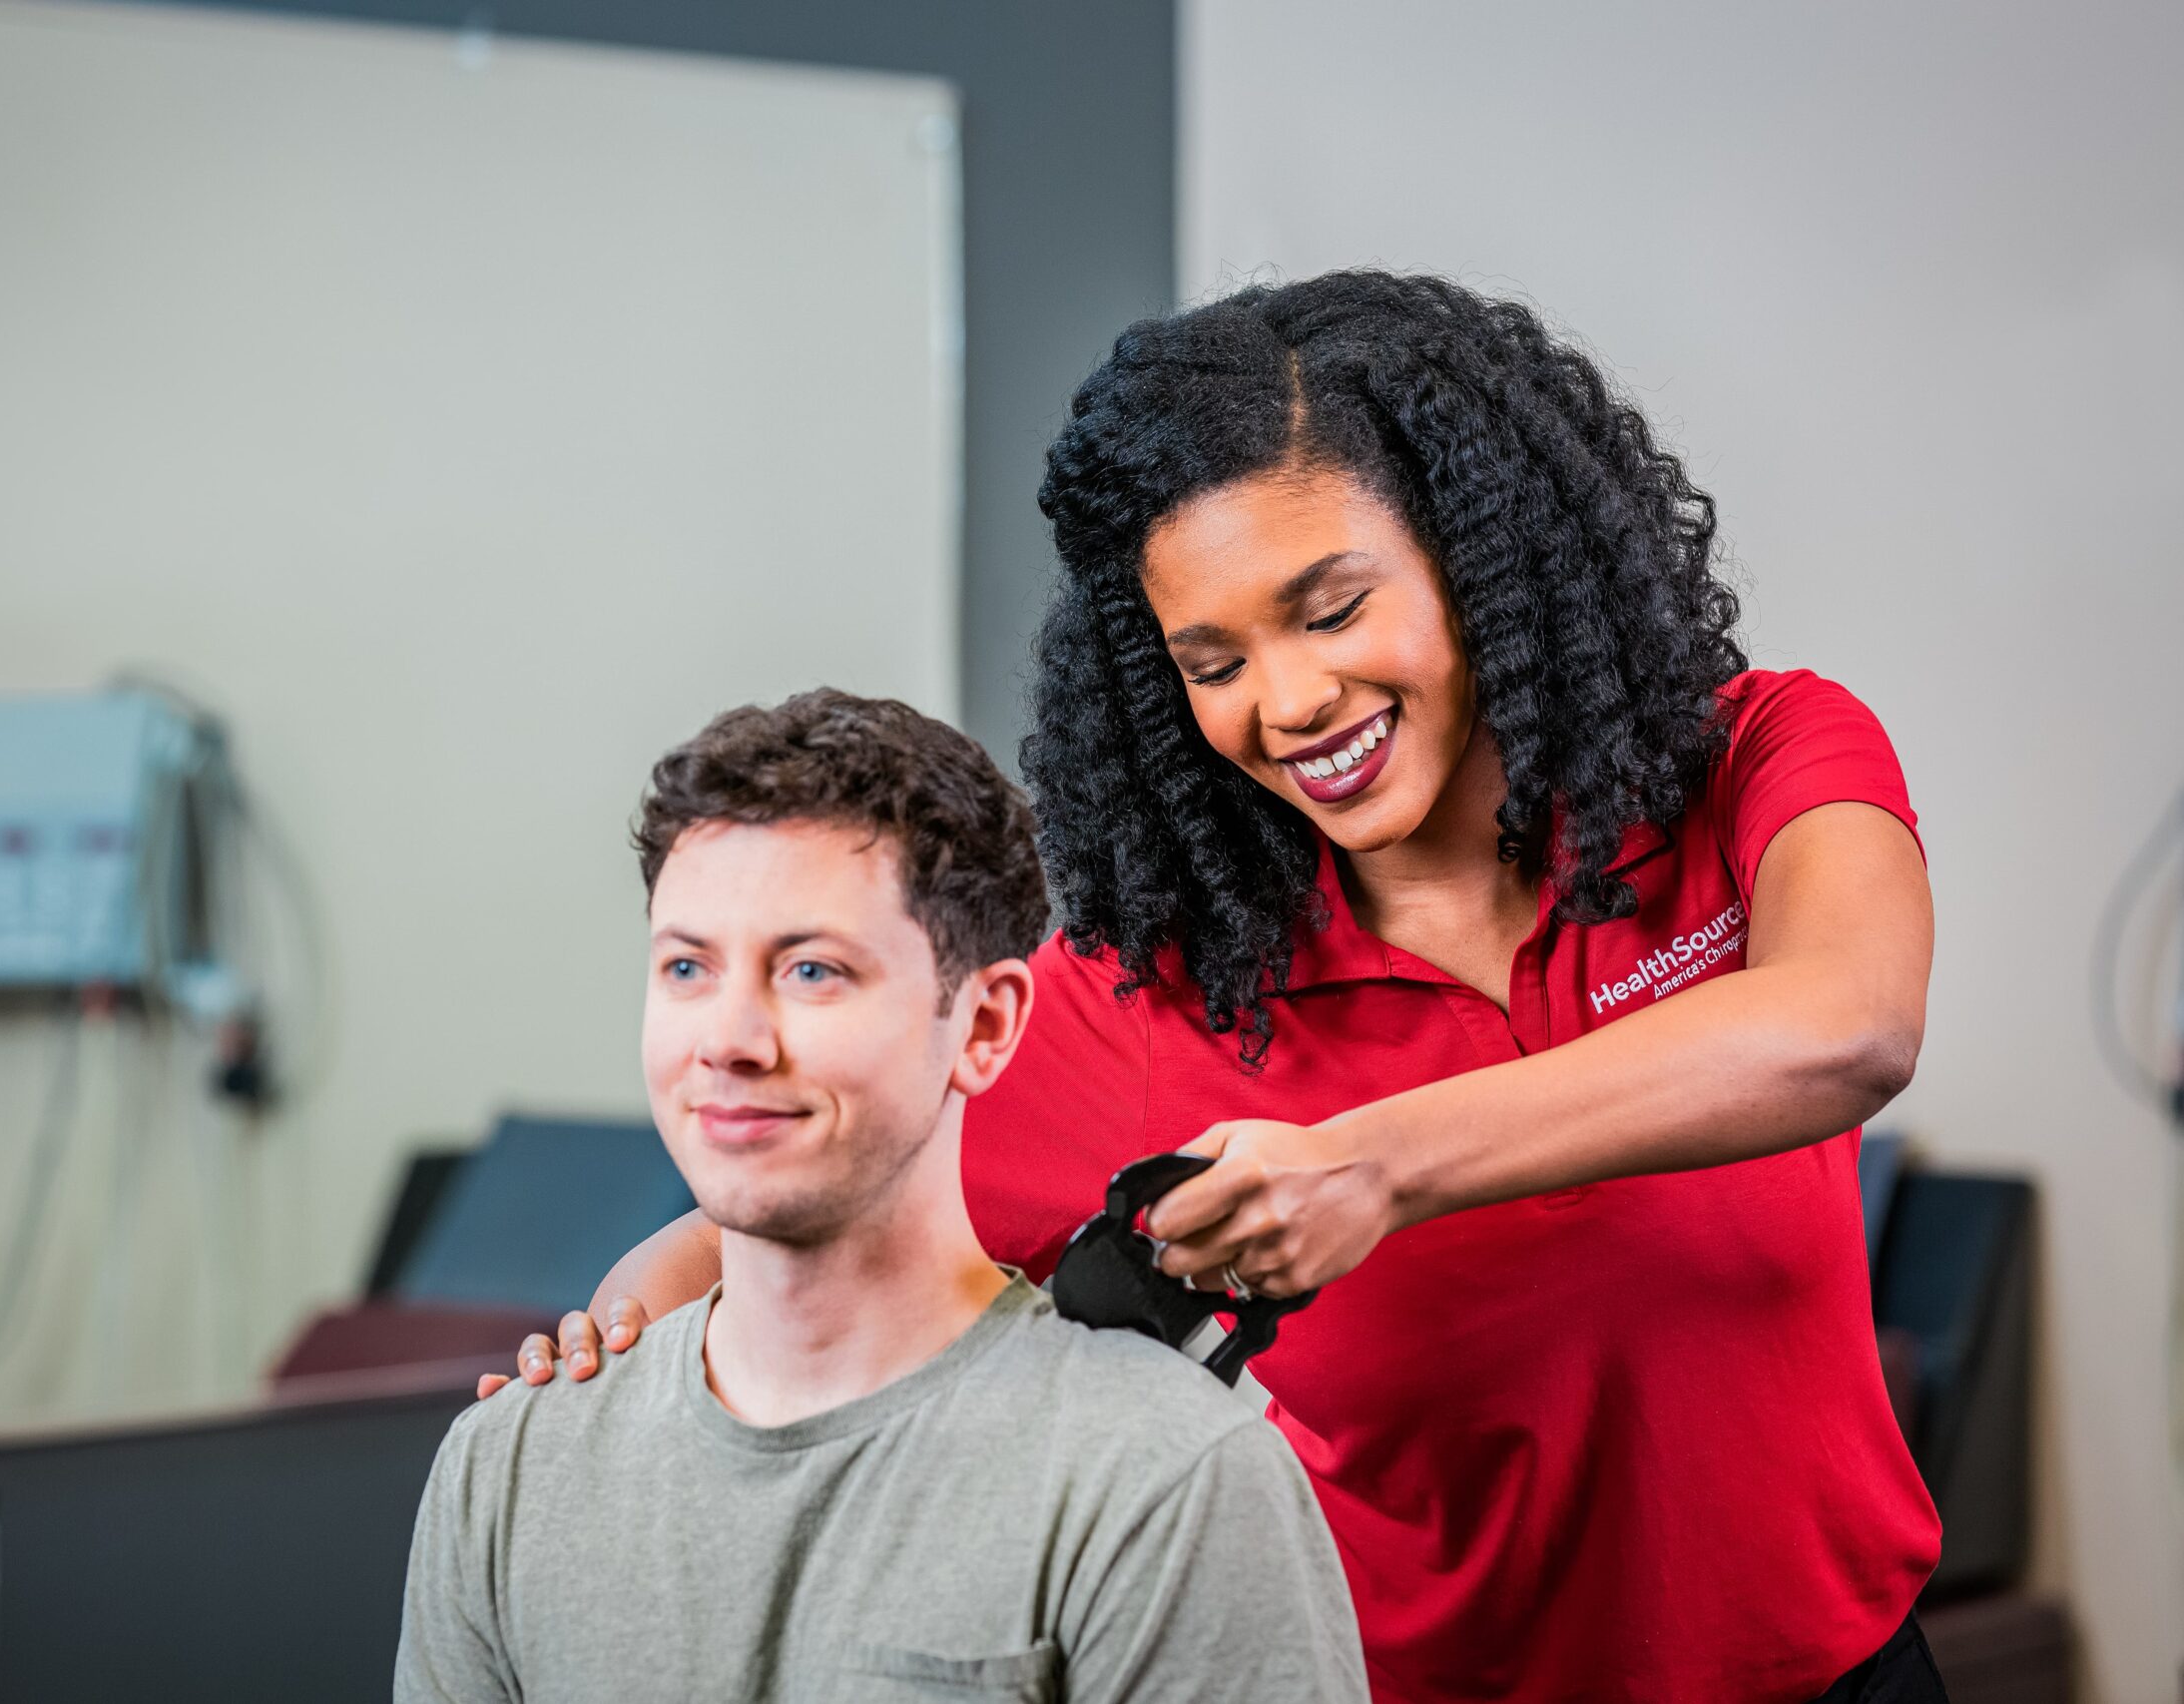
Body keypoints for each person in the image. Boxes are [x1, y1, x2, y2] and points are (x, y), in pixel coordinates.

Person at [489, 273, 1951, 1704]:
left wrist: (1368, 1162)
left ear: (1480, 559)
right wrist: (603, 1358)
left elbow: (1847, 1023)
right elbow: (739, 1239)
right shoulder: (1163, 992)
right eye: (1214, 659)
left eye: (1330, 607)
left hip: (1849, 1680)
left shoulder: (1760, 761)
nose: (1290, 701)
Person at [399, 690, 1368, 1704]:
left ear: (985, 1027)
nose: (728, 1039)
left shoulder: (1166, 1481)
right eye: (687, 966)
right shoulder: (510, 1469)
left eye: (811, 971)